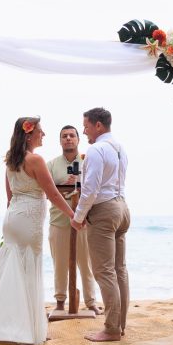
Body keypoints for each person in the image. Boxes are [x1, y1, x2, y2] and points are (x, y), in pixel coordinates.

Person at [0, 117, 75, 345]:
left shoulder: (11, 161)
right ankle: (25, 328)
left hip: (13, 218)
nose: (44, 135)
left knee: (10, 269)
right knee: (28, 270)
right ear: (29, 134)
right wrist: (73, 216)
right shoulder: (36, 160)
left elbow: (9, 197)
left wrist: (10, 222)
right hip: (29, 221)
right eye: (41, 131)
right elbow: (52, 194)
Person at [70, 108, 130, 342]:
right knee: (119, 270)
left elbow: (90, 189)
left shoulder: (96, 150)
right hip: (122, 208)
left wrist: (78, 217)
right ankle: (120, 325)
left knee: (104, 272)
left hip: (104, 211)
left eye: (85, 126)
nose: (83, 131)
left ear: (98, 126)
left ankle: (112, 329)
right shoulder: (120, 148)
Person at [47, 126, 102, 314]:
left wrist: (79, 183)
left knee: (87, 264)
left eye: (72, 135)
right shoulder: (52, 165)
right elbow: (48, 192)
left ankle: (90, 301)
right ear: (60, 141)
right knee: (60, 264)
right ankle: (60, 301)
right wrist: (65, 186)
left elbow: (96, 188)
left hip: (84, 222)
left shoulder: (88, 161)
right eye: (64, 136)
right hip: (58, 221)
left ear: (78, 139)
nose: (68, 138)